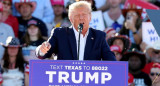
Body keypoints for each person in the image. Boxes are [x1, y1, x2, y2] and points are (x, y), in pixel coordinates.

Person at [36, 1, 116, 61]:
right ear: (71, 19)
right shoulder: (59, 34)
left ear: (90, 17)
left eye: (84, 14)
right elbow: (43, 54)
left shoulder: (99, 36)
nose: (81, 18)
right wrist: (42, 50)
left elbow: (110, 59)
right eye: (77, 15)